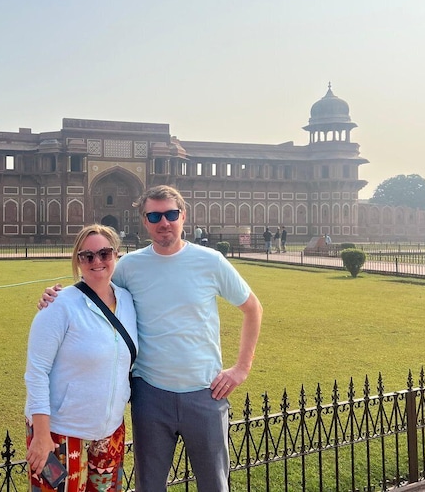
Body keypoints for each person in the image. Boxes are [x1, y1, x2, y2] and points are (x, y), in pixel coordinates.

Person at [40, 186, 263, 492]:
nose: (164, 222)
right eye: (155, 216)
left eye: (171, 214)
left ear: (183, 216)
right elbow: (94, 287)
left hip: (204, 393)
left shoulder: (210, 261)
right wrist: (57, 296)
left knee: (214, 484)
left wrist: (241, 368)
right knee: (150, 485)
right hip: (150, 395)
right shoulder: (130, 266)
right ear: (144, 221)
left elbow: (252, 308)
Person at [25, 224, 137, 492]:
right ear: (78, 260)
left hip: (109, 429)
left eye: (105, 253)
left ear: (116, 255)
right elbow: (36, 371)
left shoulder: (128, 302)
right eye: (88, 256)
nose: (97, 261)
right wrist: (41, 435)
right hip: (59, 432)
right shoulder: (59, 305)